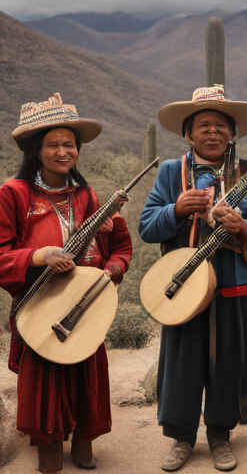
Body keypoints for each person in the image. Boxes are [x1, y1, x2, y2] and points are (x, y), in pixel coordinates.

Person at [139, 86, 247, 472]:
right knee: (183, 359)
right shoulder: (172, 173)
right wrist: (176, 209)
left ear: (233, 133)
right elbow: (147, 227)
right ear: (189, 132)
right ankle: (181, 438)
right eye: (204, 125)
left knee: (229, 359)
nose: (213, 131)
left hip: (233, 284)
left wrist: (244, 228)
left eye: (221, 125)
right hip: (183, 284)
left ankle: (220, 435)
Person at [0, 93, 133, 473]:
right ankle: (49, 455)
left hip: (88, 304)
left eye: (69, 144)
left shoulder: (89, 196)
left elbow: (122, 247)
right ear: (35, 150)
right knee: (46, 383)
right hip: (40, 308)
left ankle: (84, 446)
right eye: (54, 144)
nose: (63, 151)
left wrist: (112, 271)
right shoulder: (14, 194)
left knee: (86, 376)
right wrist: (39, 256)